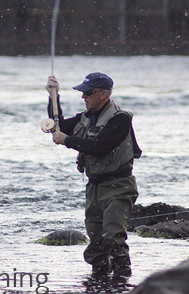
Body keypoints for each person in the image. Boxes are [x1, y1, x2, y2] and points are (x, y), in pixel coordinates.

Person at [46, 72, 142, 277]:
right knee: (96, 241)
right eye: (83, 93)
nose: (84, 97)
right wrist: (53, 97)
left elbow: (100, 147)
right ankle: (99, 280)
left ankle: (123, 281)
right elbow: (58, 126)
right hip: (95, 187)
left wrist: (66, 140)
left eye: (88, 93)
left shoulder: (120, 118)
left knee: (113, 236)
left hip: (119, 186)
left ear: (104, 94)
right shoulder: (85, 118)